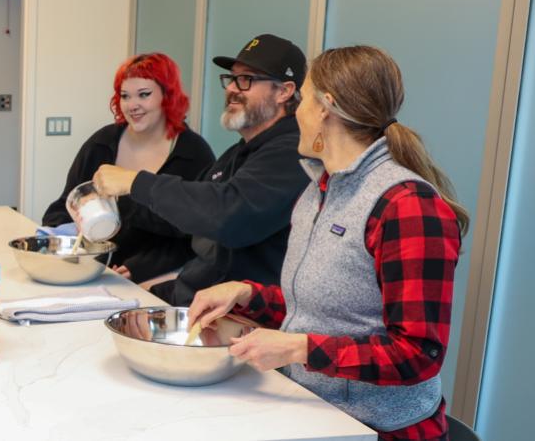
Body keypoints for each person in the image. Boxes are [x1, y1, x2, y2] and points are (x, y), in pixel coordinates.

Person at [188, 45, 468, 440]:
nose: (296, 111)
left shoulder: (407, 207)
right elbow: (328, 310)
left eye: (302, 98)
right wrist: (247, 294)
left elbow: (418, 355)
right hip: (313, 411)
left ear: (325, 108)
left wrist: (297, 349)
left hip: (376, 429)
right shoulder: (319, 188)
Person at [91, 34, 311, 306]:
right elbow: (185, 217)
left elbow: (228, 214)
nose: (232, 88)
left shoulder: (292, 153)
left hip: (240, 317)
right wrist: (109, 205)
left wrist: (136, 182)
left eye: (246, 80)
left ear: (284, 91)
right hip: (193, 295)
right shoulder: (237, 154)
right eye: (231, 79)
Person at [41, 52, 215, 283]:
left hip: (156, 277)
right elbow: (65, 206)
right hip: (90, 267)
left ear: (167, 96)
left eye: (144, 95)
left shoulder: (193, 155)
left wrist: (141, 267)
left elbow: (196, 236)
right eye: (125, 96)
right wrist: (60, 238)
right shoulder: (101, 144)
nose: (133, 105)